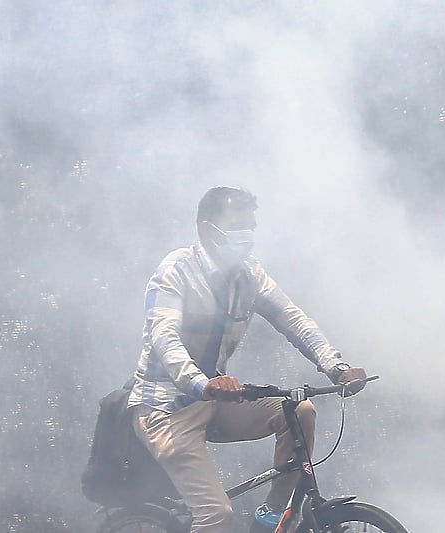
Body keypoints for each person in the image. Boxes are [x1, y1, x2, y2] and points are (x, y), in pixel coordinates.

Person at [127, 186, 366, 533]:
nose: (248, 239)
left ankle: (270, 518)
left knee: (298, 412)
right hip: (166, 408)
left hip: (215, 401)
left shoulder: (248, 275)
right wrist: (202, 383)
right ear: (209, 230)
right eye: (239, 230)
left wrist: (336, 367)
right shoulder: (176, 271)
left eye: (251, 230)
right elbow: (164, 337)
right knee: (216, 515)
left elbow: (292, 319)